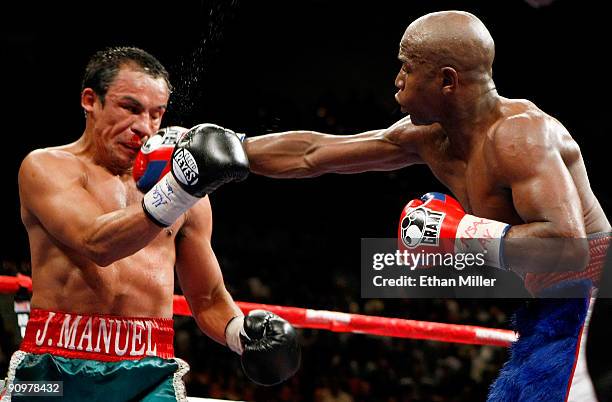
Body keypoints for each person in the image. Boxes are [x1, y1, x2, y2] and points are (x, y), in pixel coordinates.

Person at [240, 10, 611, 402]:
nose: (397, 82)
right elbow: (316, 152)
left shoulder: (521, 136)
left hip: (594, 303)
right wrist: (234, 149)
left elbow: (569, 246)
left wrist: (460, 232)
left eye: (407, 68)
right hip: (549, 314)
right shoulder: (429, 137)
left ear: (447, 80)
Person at [6, 47, 299, 401]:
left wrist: (240, 333)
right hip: (52, 364)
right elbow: (97, 243)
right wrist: (180, 188)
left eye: (156, 114)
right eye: (130, 108)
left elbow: (207, 298)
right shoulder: (46, 167)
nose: (143, 127)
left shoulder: (188, 194)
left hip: (149, 370)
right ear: (90, 101)